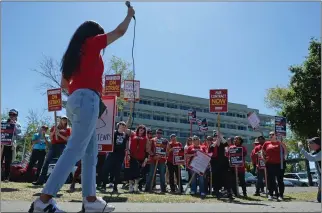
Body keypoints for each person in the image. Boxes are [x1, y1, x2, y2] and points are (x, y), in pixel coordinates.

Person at [28, 5, 135, 213]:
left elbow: (64, 84)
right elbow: (120, 32)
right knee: (75, 150)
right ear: (94, 33)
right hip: (88, 99)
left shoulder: (74, 52)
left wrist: (79, 94)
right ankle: (43, 200)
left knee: (90, 153)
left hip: (76, 100)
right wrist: (130, 15)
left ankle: (90, 200)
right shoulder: (92, 43)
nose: (102, 37)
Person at [33, 116, 71, 185]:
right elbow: (50, 137)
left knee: (63, 163)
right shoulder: (54, 127)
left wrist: (59, 134)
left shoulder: (67, 129)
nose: (64, 120)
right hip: (54, 146)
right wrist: (54, 132)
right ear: (60, 120)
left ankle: (64, 180)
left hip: (62, 145)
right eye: (63, 119)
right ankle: (40, 180)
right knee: (46, 162)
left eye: (65, 119)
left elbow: (67, 139)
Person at [97, 119, 132, 193]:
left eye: (124, 125)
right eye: (121, 124)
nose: (122, 126)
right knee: (106, 169)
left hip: (120, 155)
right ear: (118, 125)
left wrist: (128, 153)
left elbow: (127, 146)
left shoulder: (126, 135)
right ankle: (104, 185)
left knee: (117, 171)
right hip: (112, 154)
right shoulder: (114, 133)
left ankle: (115, 187)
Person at [262, 131, 287, 201]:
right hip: (270, 164)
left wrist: (285, 157)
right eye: (269, 134)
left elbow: (285, 150)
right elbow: (262, 151)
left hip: (280, 164)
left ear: (276, 136)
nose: (270, 136)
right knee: (271, 180)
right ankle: (271, 194)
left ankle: (280, 195)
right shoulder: (266, 143)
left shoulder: (280, 143)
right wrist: (264, 159)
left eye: (272, 134)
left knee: (280, 180)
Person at [125, 125, 148, 193]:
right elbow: (125, 129)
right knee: (131, 173)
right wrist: (130, 117)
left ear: (144, 131)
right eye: (140, 128)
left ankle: (136, 187)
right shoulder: (133, 134)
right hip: (132, 156)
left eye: (143, 129)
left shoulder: (146, 138)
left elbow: (147, 150)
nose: (141, 129)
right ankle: (130, 187)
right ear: (138, 129)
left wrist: (146, 160)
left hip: (141, 158)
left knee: (138, 174)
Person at [1, 109, 22, 181]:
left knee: (8, 162)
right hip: (1, 144)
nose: (12, 116)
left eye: (14, 114)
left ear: (16, 116)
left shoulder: (18, 125)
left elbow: (19, 136)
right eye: (10, 114)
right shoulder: (3, 122)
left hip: (10, 145)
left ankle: (6, 178)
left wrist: (14, 125)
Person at [298, 137, 321, 203]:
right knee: (319, 198)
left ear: (317, 144)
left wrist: (301, 149)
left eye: (311, 143)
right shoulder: (317, 152)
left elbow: (311, 158)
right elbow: (310, 155)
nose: (309, 144)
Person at [145, 129, 168, 193]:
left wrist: (162, 156)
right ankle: (148, 188)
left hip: (162, 160)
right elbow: (148, 149)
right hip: (153, 159)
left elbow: (166, 150)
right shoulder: (152, 140)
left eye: (160, 133)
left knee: (162, 175)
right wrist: (153, 155)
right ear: (156, 133)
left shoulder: (165, 141)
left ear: (162, 134)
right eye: (158, 132)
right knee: (151, 174)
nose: (159, 134)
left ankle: (163, 189)